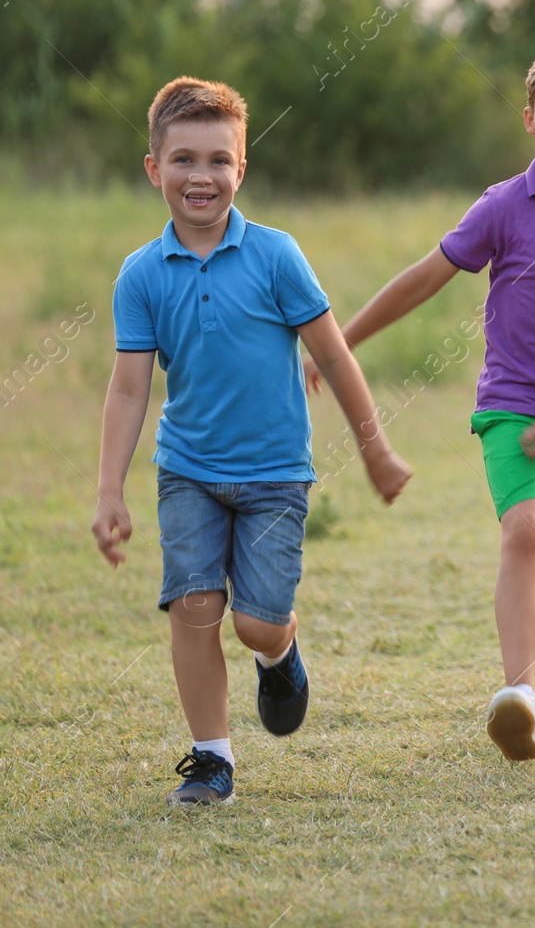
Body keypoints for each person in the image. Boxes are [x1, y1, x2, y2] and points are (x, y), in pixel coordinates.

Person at [304, 47, 535, 761]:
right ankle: (517, 696)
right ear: (529, 120)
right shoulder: (501, 206)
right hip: (513, 405)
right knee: (525, 531)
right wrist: (343, 342)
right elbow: (425, 278)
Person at [92, 77, 411, 806]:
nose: (200, 176)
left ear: (243, 168)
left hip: (274, 474)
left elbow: (332, 356)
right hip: (189, 471)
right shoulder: (141, 275)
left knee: (255, 621)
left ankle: (281, 652)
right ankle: (211, 758)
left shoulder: (276, 256)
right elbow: (130, 388)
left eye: (218, 160)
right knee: (194, 609)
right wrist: (109, 488)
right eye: (183, 160)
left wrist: (375, 449)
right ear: (154, 169)